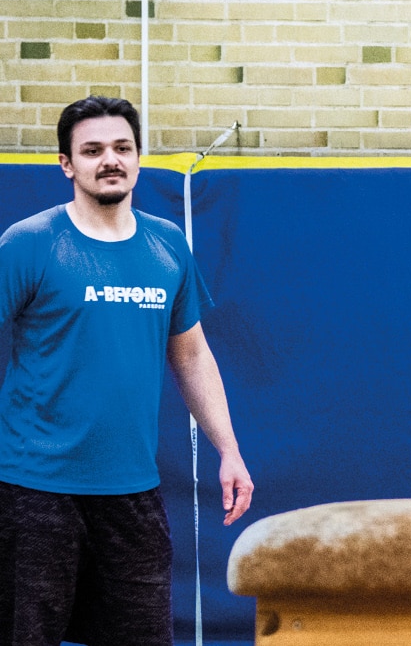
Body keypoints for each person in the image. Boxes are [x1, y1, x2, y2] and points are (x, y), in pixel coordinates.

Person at [0, 96, 254, 645]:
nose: (109, 160)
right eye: (91, 150)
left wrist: (228, 450)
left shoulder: (167, 245)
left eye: (121, 148)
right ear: (66, 163)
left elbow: (191, 355)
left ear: (138, 158)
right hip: (34, 491)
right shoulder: (28, 245)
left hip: (132, 494)